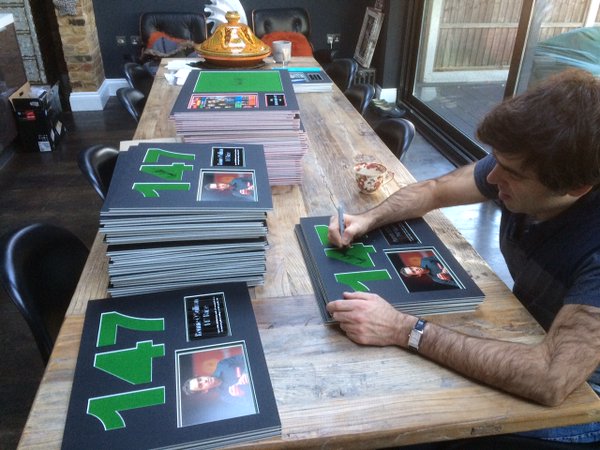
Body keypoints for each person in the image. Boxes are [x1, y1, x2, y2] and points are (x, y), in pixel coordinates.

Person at [327, 68, 600, 444]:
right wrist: (367, 219)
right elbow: (435, 190)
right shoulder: (526, 164)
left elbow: (551, 378)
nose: (492, 178)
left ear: (577, 187)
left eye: (512, 173)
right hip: (532, 332)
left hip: (581, 398)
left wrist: (403, 329)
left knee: (404, 417)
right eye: (496, 160)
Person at [182, 354, 250, 400]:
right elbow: (249, 404)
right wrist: (242, 394)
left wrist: (246, 372)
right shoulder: (225, 396)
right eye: (200, 385)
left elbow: (246, 356)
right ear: (204, 391)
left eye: (199, 379)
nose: (204, 381)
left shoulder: (222, 364)